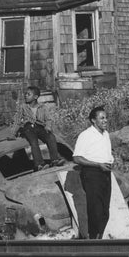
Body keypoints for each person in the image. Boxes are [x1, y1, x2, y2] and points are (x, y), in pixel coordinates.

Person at [73, 106, 114, 239]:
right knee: (95, 209)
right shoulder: (85, 135)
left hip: (105, 173)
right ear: (93, 120)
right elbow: (77, 158)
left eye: (106, 117)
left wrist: (110, 161)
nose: (105, 120)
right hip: (92, 173)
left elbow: (104, 153)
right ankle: (93, 238)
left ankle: (99, 238)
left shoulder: (106, 134)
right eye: (102, 118)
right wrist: (98, 164)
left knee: (105, 211)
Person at [11, 86, 64, 171]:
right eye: (25, 94)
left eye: (28, 94)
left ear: (35, 97)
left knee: (51, 137)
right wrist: (13, 133)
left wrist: (48, 126)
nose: (26, 96)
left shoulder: (43, 107)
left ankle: (55, 159)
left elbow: (48, 119)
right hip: (28, 128)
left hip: (40, 127)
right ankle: (39, 164)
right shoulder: (23, 107)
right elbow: (17, 120)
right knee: (33, 142)